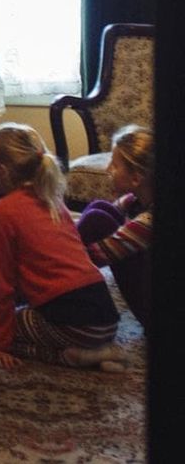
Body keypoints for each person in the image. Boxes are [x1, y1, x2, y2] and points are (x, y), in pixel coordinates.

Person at [0, 123, 126, 371]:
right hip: (105, 320)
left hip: (74, 324)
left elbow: (2, 283)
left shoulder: (1, 213)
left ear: (2, 170)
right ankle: (98, 351)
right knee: (29, 314)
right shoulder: (53, 201)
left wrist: (0, 344)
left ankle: (75, 357)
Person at [76, 124, 152, 333]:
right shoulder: (136, 200)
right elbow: (100, 213)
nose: (108, 169)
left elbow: (96, 255)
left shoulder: (149, 221)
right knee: (99, 209)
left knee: (98, 220)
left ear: (136, 178)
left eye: (115, 165)